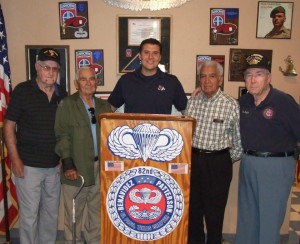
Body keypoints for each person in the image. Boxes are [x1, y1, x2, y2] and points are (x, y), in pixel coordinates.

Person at [4, 48, 67, 244]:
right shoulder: (23, 91)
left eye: (55, 69)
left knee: (50, 216)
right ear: (37, 68)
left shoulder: (62, 94)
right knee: (30, 216)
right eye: (46, 67)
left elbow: (64, 131)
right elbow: (9, 125)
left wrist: (63, 160)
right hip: (28, 166)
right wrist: (15, 159)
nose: (51, 72)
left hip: (54, 166)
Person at [235, 53, 300, 244]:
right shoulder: (243, 102)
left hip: (276, 165)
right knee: (247, 218)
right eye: (248, 75)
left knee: (269, 218)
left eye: (259, 74)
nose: (252, 79)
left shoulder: (283, 101)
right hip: (248, 163)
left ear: (269, 77)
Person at [186, 61, 242, 244]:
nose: (207, 80)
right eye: (203, 76)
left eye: (211, 76)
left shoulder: (231, 104)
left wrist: (222, 160)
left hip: (218, 164)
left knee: (214, 213)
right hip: (194, 161)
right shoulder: (192, 102)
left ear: (220, 79)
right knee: (193, 211)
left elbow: (239, 143)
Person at [55, 66, 111, 243]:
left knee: (97, 212)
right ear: (76, 83)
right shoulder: (67, 104)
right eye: (84, 79)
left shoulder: (104, 105)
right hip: (76, 167)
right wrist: (68, 163)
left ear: (96, 82)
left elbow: (112, 135)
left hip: (99, 167)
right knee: (74, 215)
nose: (88, 83)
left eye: (92, 79)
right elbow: (61, 135)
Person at [108, 38, 187, 114]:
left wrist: (200, 91)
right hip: (132, 128)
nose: (150, 57)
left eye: (155, 53)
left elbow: (186, 110)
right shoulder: (126, 80)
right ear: (139, 56)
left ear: (160, 57)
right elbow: (109, 108)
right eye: (146, 52)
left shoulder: (172, 82)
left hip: (161, 128)